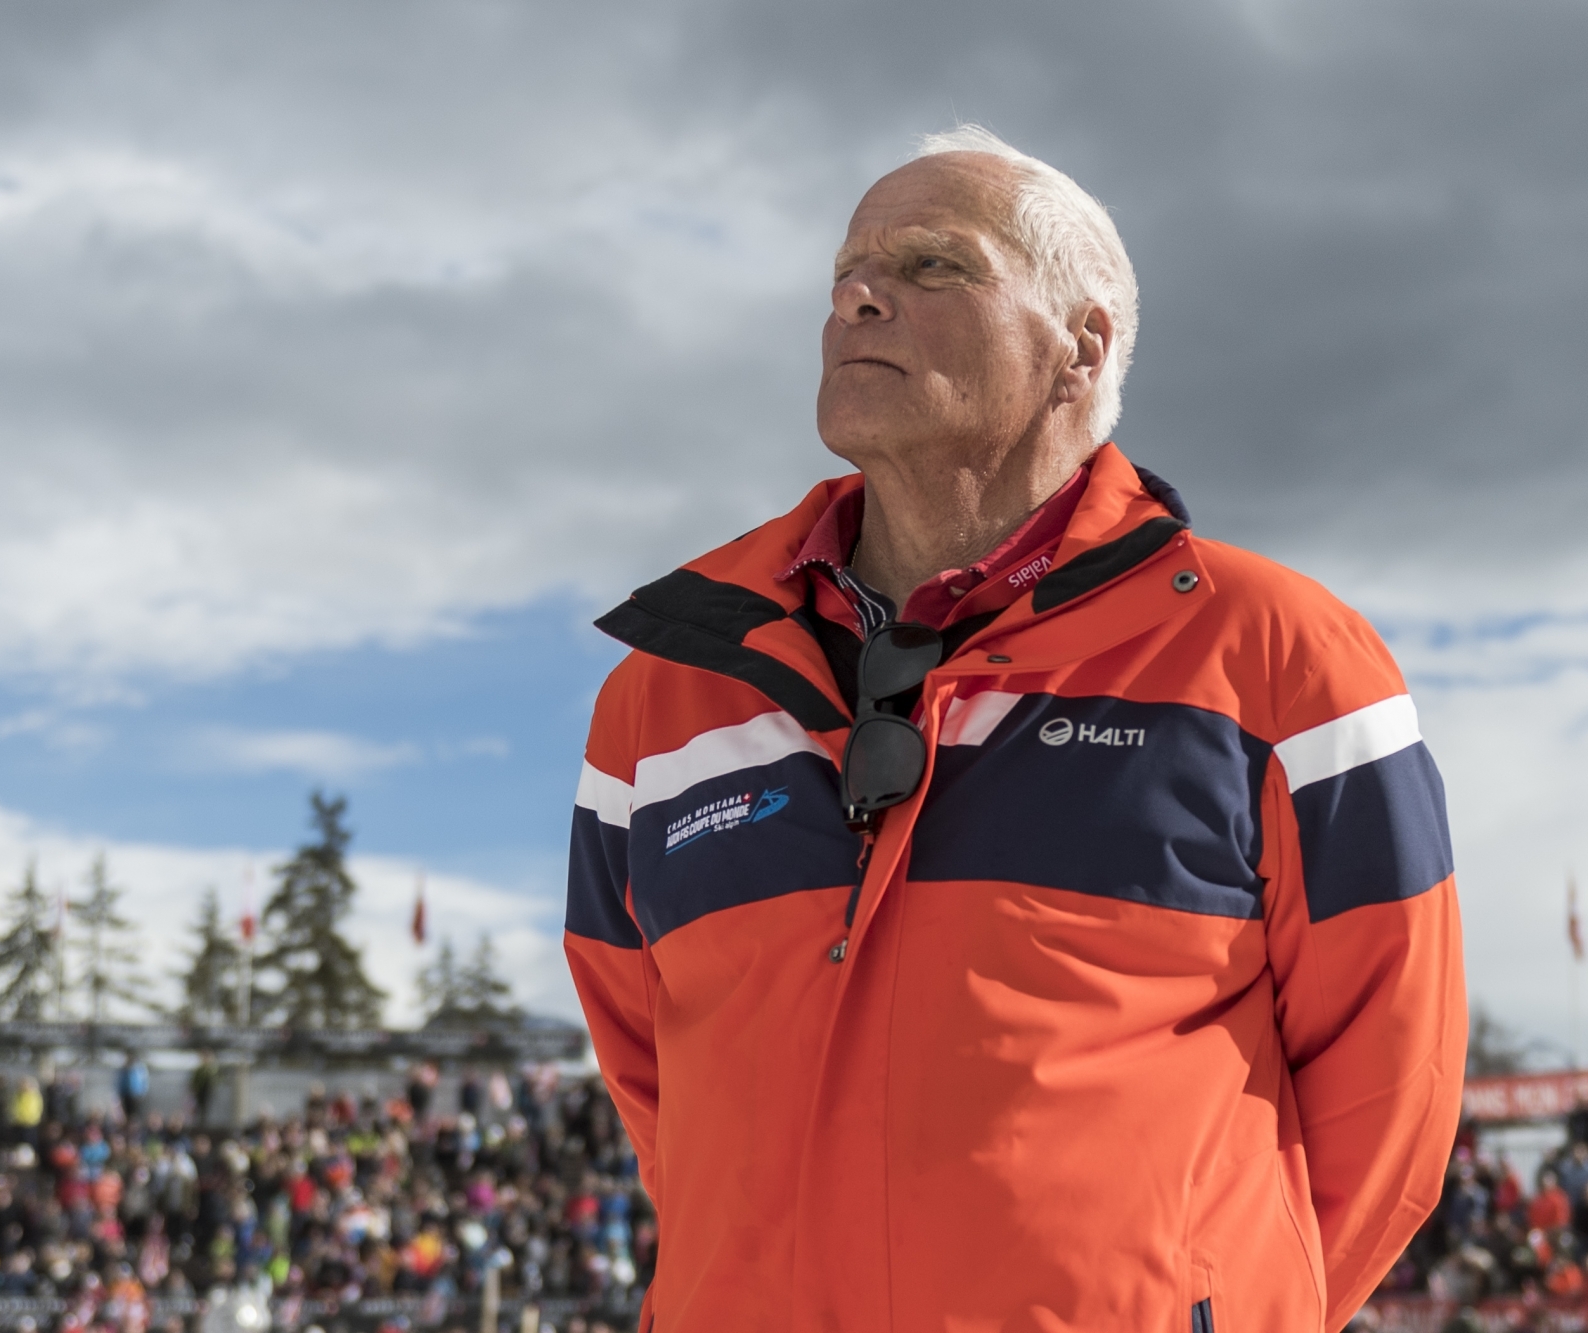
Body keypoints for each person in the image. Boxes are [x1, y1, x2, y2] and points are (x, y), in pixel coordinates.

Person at [565, 124, 1466, 1331]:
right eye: (844, 272)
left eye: (932, 265)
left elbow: (1388, 1086)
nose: (855, 297)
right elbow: (653, 1077)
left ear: (1079, 347)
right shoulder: (664, 693)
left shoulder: (1276, 657)